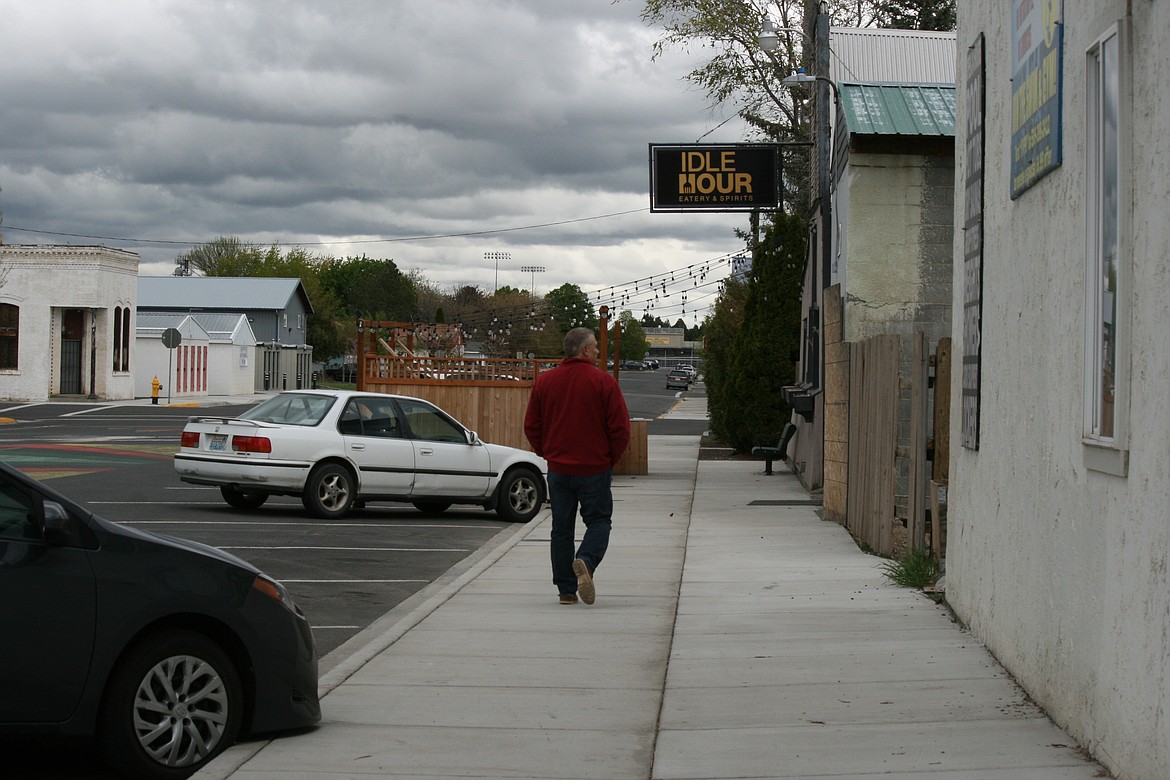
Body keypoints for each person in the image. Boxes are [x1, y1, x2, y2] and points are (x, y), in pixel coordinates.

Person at [524, 327, 630, 605]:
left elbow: (532, 425)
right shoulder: (603, 383)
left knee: (561, 529)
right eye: (594, 347)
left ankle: (566, 591)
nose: (597, 351)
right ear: (584, 350)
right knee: (599, 522)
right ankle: (586, 560)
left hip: (559, 468)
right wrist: (610, 458)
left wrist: (546, 452)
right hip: (594, 468)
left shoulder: (546, 382)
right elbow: (620, 429)